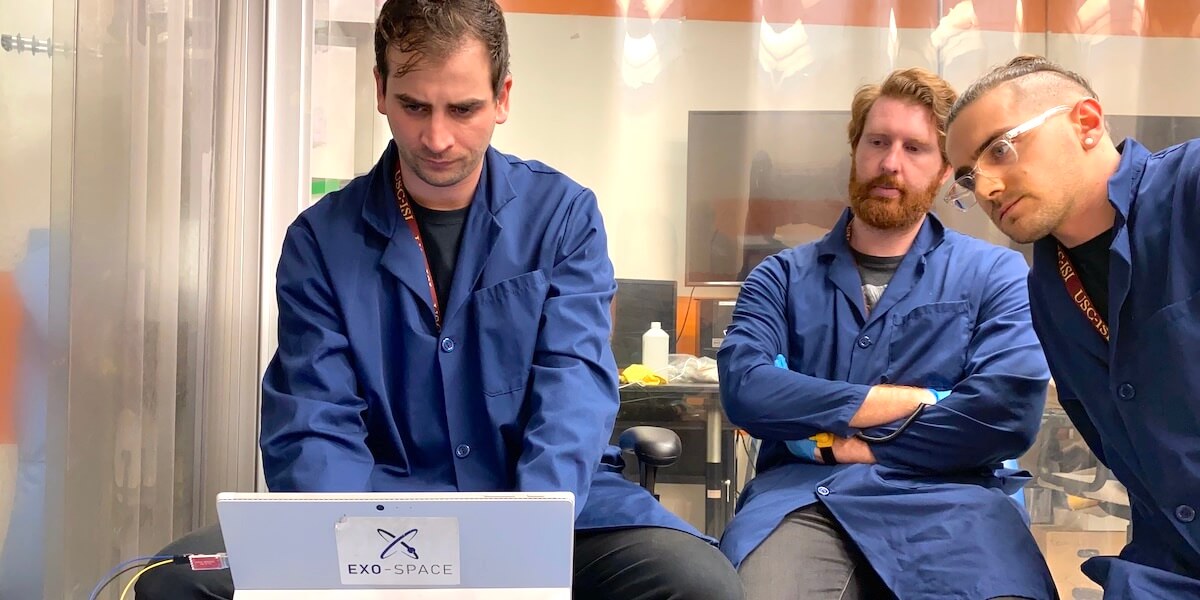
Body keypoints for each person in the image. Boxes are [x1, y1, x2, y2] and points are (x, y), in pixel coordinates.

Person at [134, 1, 744, 598]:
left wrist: (524, 540)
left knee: (699, 584)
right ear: (380, 90)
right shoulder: (320, 241)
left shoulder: (562, 217)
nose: (437, 137)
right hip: (378, 509)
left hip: (548, 504)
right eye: (413, 106)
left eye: (464, 108)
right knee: (170, 581)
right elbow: (314, 421)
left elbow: (573, 390)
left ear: (503, 97)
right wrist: (352, 563)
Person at [717, 67, 1057, 600]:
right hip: (805, 502)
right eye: (877, 141)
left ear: (946, 171)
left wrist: (830, 443)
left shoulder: (996, 274)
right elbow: (747, 391)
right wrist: (916, 401)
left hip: (956, 504)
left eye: (916, 148)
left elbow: (1003, 415)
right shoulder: (779, 278)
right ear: (855, 150)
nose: (891, 163)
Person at [945, 54, 1200, 598]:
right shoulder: (1048, 292)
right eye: (968, 175)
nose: (986, 186)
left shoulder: (1191, 191)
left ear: (1086, 123)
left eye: (1000, 148)